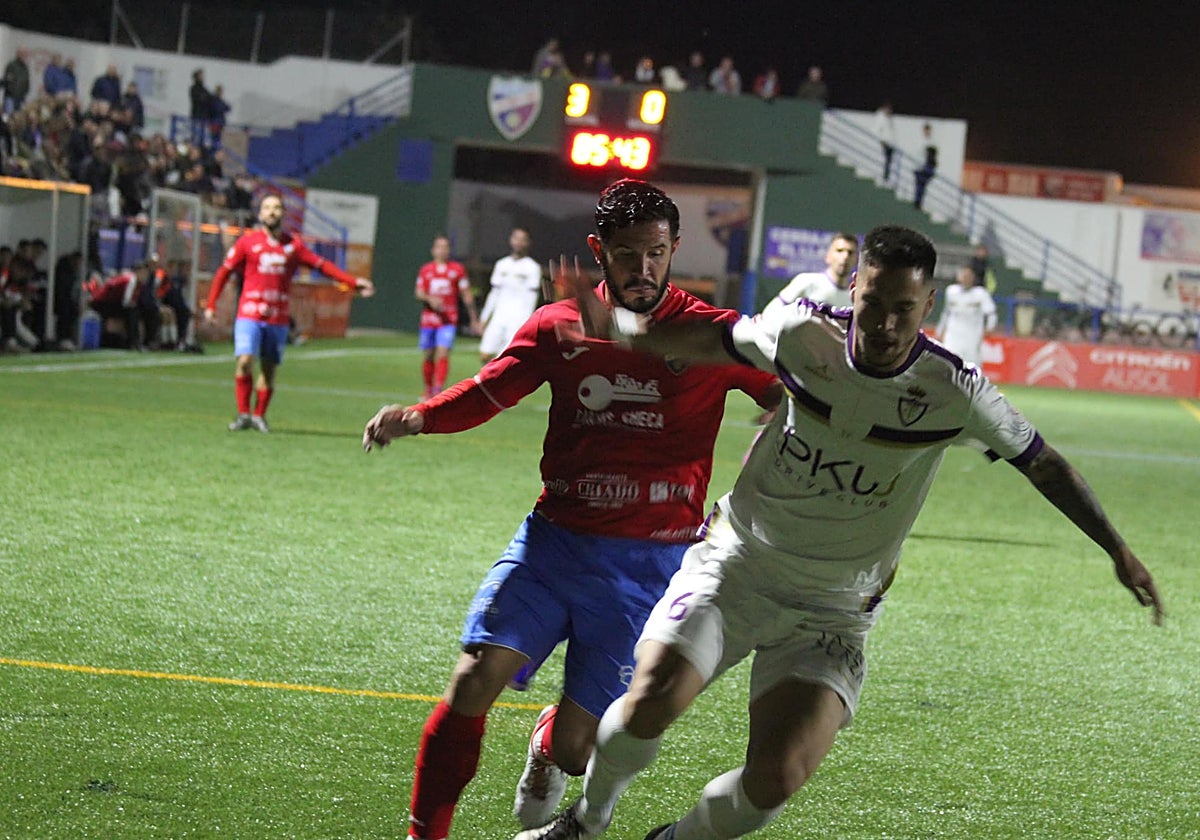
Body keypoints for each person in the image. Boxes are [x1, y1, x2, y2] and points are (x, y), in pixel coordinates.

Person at [518, 224, 1163, 840]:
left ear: (928, 306)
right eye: (873, 303)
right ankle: (588, 820)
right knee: (649, 701)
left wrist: (1118, 550)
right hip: (738, 564)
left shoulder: (954, 391)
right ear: (854, 287)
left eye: (903, 310)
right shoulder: (802, 332)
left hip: (834, 607)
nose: (884, 325)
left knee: (775, 781)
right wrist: (618, 327)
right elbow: (709, 341)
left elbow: (1043, 463)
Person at [362, 178, 782, 840]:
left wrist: (784, 441)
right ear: (598, 250)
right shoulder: (558, 326)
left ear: (674, 249)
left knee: (577, 750)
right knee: (472, 681)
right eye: (626, 254)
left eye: (656, 253)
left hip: (647, 566)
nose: (642, 269)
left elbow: (790, 396)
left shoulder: (712, 334)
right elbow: (491, 391)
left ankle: (546, 743)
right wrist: (419, 416)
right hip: (552, 544)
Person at [203, 193, 375, 432]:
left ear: (283, 213)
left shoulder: (293, 245)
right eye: (267, 207)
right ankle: (243, 414)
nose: (271, 212)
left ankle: (259, 415)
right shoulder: (247, 243)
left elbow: (322, 266)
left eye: (276, 208)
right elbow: (224, 272)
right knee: (244, 360)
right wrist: (211, 305)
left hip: (278, 317)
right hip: (249, 313)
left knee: (269, 368)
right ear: (260, 213)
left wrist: (353, 282)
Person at [414, 234, 479, 399]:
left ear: (449, 250)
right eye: (439, 247)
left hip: (448, 319)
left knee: (443, 353)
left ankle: (438, 389)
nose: (442, 250)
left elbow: (466, 293)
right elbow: (419, 292)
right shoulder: (426, 270)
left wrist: (473, 318)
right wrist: (430, 299)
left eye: (445, 247)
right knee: (429, 354)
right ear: (433, 250)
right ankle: (428, 389)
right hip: (429, 319)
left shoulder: (457, 270)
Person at [478, 226, 542, 362]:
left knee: (505, 358)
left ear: (527, 243)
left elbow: (531, 298)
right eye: (516, 238)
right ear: (511, 240)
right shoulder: (501, 264)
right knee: (485, 354)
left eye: (522, 239)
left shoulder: (532, 267)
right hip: (499, 316)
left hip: (518, 319)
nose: (518, 242)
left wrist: (527, 322)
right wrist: (484, 317)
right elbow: (494, 293)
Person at [762, 231, 858, 314]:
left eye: (850, 252)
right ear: (828, 256)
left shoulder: (856, 296)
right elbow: (772, 311)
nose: (845, 256)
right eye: (839, 251)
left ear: (857, 260)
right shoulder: (806, 281)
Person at [936, 264, 997, 366]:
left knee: (971, 365)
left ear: (973, 278)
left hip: (972, 337)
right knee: (949, 362)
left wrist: (990, 327)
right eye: (964, 275)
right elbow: (946, 313)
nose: (966, 279)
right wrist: (939, 331)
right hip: (953, 335)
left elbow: (991, 313)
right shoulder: (951, 291)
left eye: (969, 276)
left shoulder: (981, 294)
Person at [913, 122, 938, 210]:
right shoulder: (920, 140)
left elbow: (933, 153)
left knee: (923, 186)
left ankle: (919, 203)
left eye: (929, 130)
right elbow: (919, 152)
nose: (928, 132)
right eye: (926, 130)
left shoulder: (931, 141)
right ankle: (917, 203)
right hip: (919, 166)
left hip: (926, 166)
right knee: (919, 186)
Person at [3, 48, 31, 114]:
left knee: (19, 116)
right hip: (11, 97)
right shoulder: (11, 65)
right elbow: (8, 80)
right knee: (9, 116)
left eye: (25, 54)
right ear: (18, 54)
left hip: (21, 97)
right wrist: (13, 92)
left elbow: (27, 81)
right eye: (23, 53)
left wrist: (25, 91)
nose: (25, 55)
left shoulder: (25, 67)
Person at [874, 102, 896, 183]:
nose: (889, 111)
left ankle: (886, 177)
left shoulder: (889, 119)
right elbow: (877, 130)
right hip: (885, 143)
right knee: (885, 161)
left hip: (890, 144)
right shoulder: (881, 118)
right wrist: (882, 141)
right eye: (888, 109)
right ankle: (884, 177)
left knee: (889, 161)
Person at [189, 69, 210, 147]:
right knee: (195, 134)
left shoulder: (204, 89)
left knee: (202, 136)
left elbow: (209, 98)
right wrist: (204, 98)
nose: (202, 77)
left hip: (204, 116)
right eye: (201, 76)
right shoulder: (194, 88)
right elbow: (198, 99)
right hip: (196, 114)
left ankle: (200, 147)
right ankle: (194, 147)